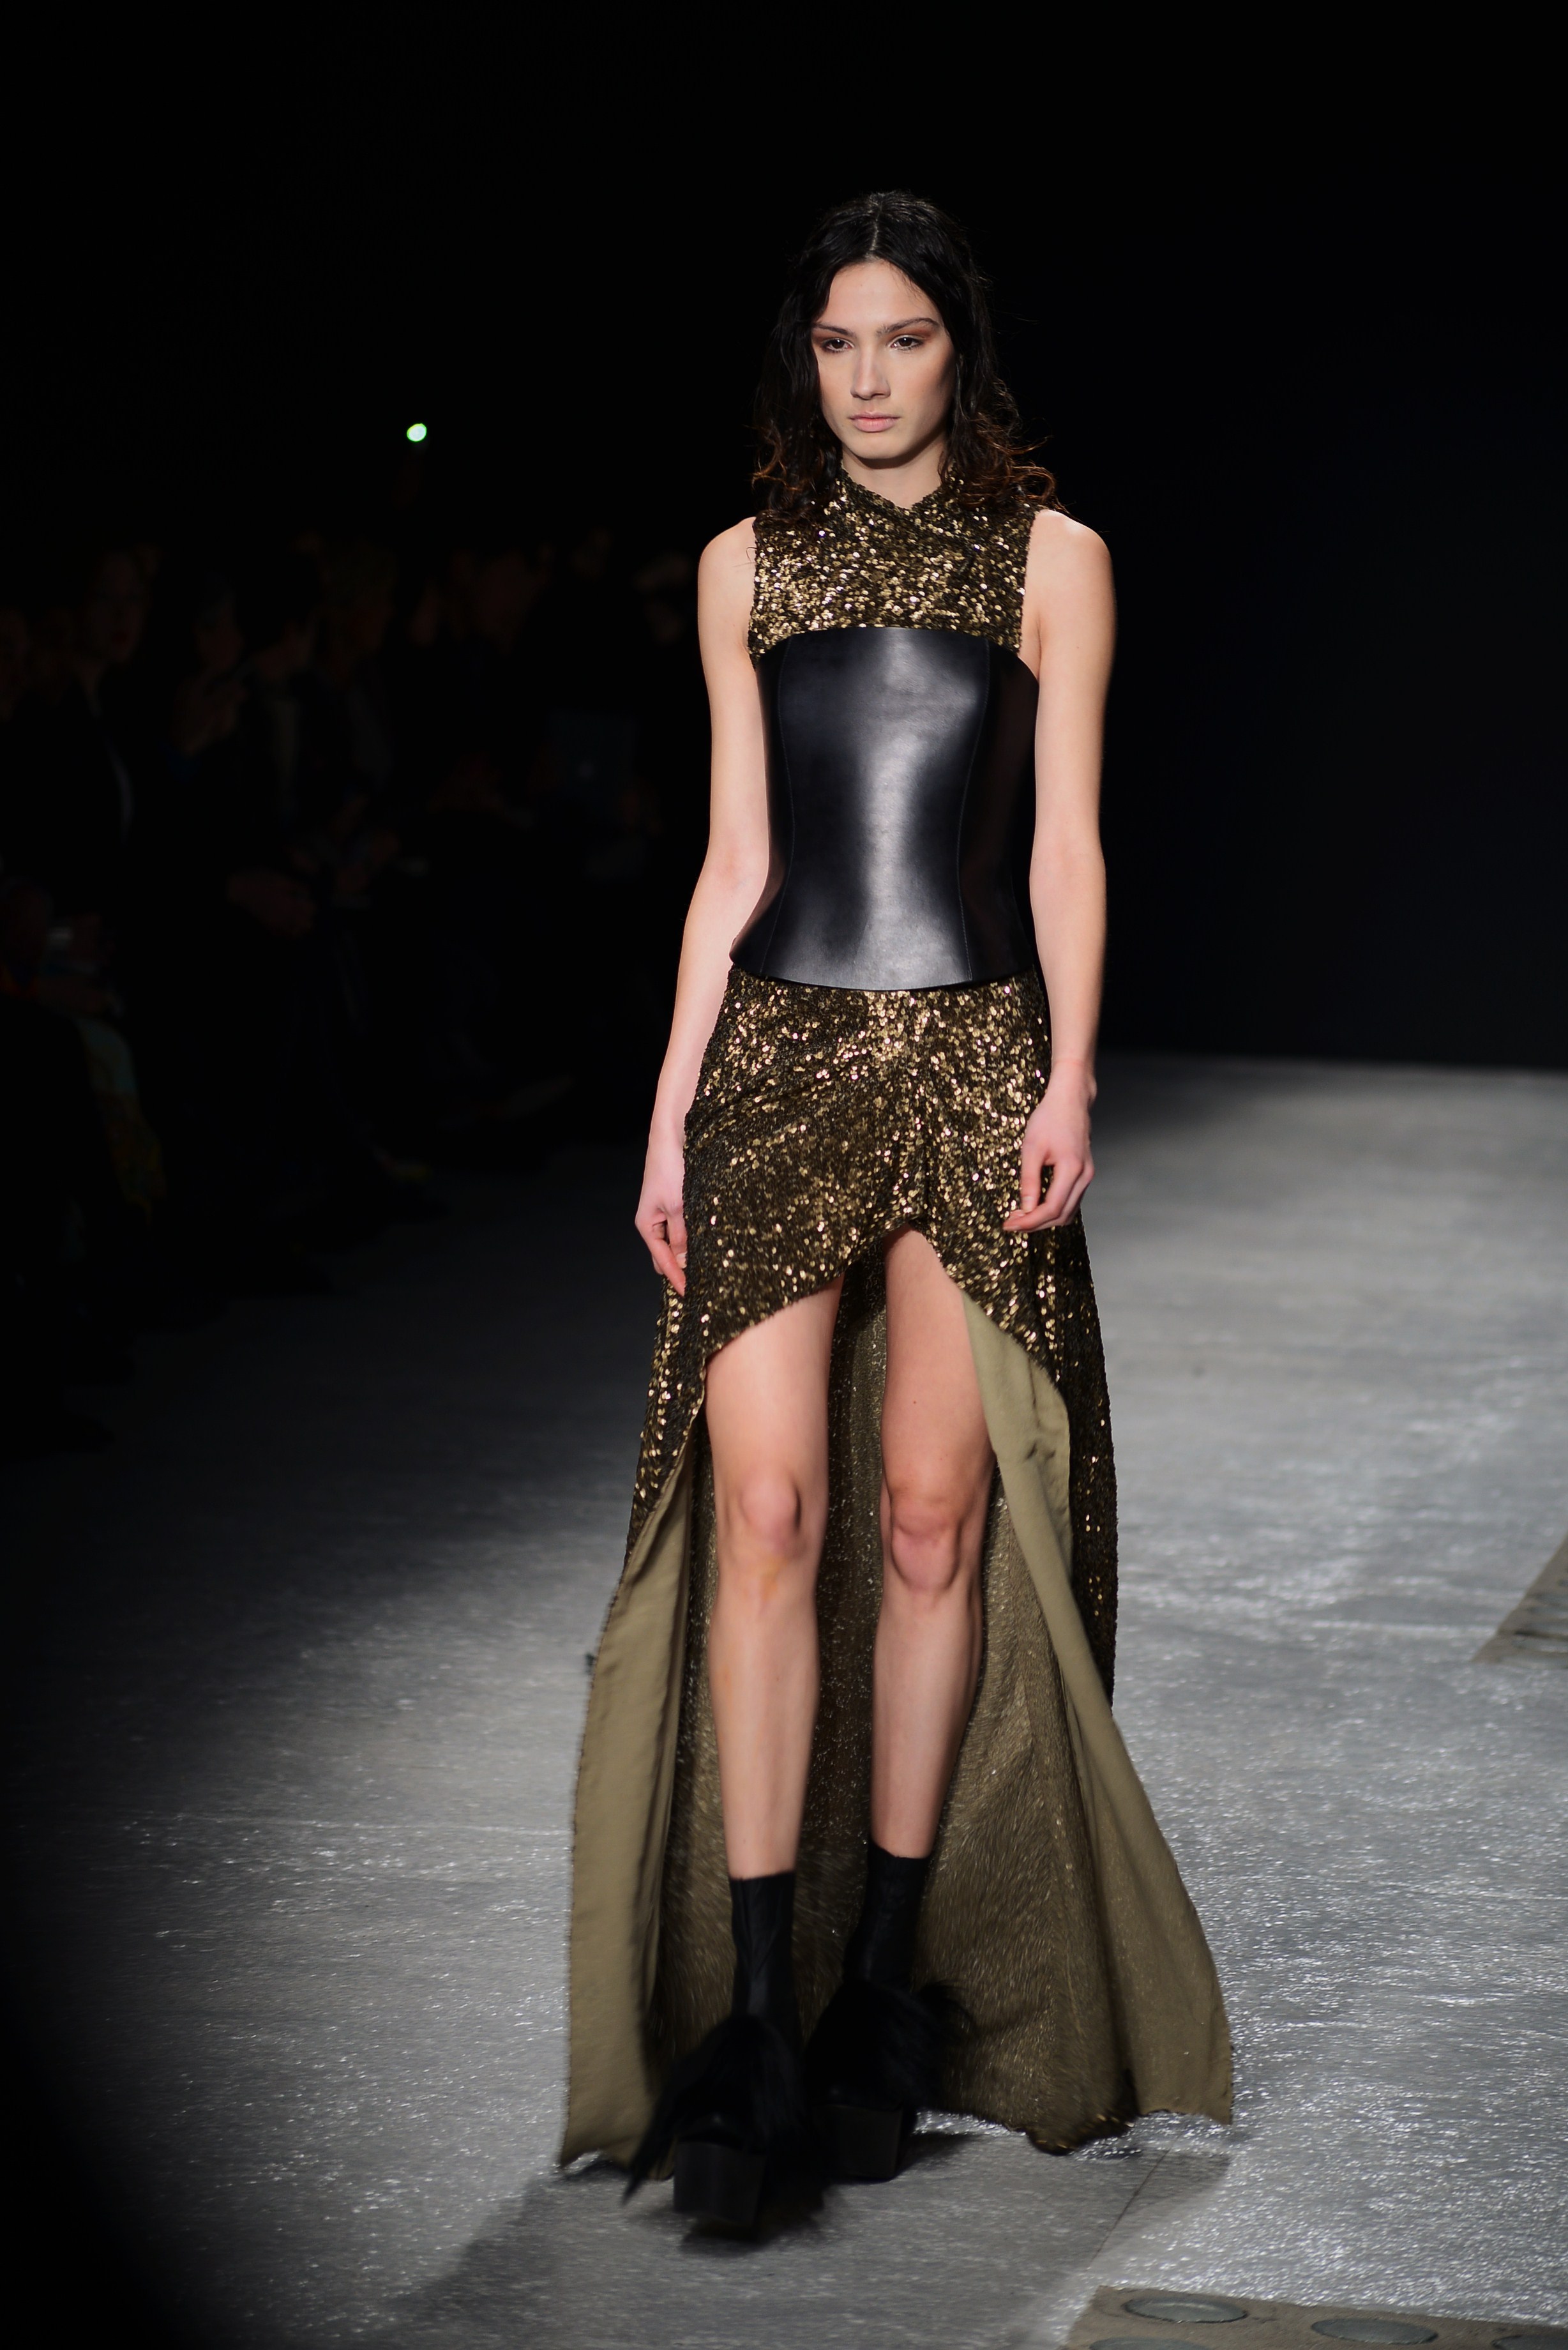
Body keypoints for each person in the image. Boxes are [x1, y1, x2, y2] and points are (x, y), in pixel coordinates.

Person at [562, 192, 1231, 2231]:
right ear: (807, 358)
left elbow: (1068, 848)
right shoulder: (743, 564)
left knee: (937, 1522)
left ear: (961, 349)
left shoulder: (1053, 558)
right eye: (838, 342)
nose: (868, 377)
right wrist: (669, 1115)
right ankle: (755, 2016)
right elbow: (735, 860)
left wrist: (1071, 1068)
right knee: (768, 1516)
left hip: (967, 1058)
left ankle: (880, 1993)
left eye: (905, 339)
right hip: (774, 1063)